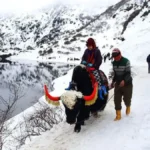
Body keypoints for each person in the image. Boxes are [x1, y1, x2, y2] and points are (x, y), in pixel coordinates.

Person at [110, 48, 133, 121]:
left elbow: (128, 73)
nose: (115, 58)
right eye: (114, 57)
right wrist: (113, 81)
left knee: (127, 99)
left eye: (116, 57)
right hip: (118, 83)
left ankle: (128, 106)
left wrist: (124, 81)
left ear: (120, 55)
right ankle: (118, 115)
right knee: (116, 99)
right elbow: (115, 74)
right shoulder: (114, 63)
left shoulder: (126, 61)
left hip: (127, 84)